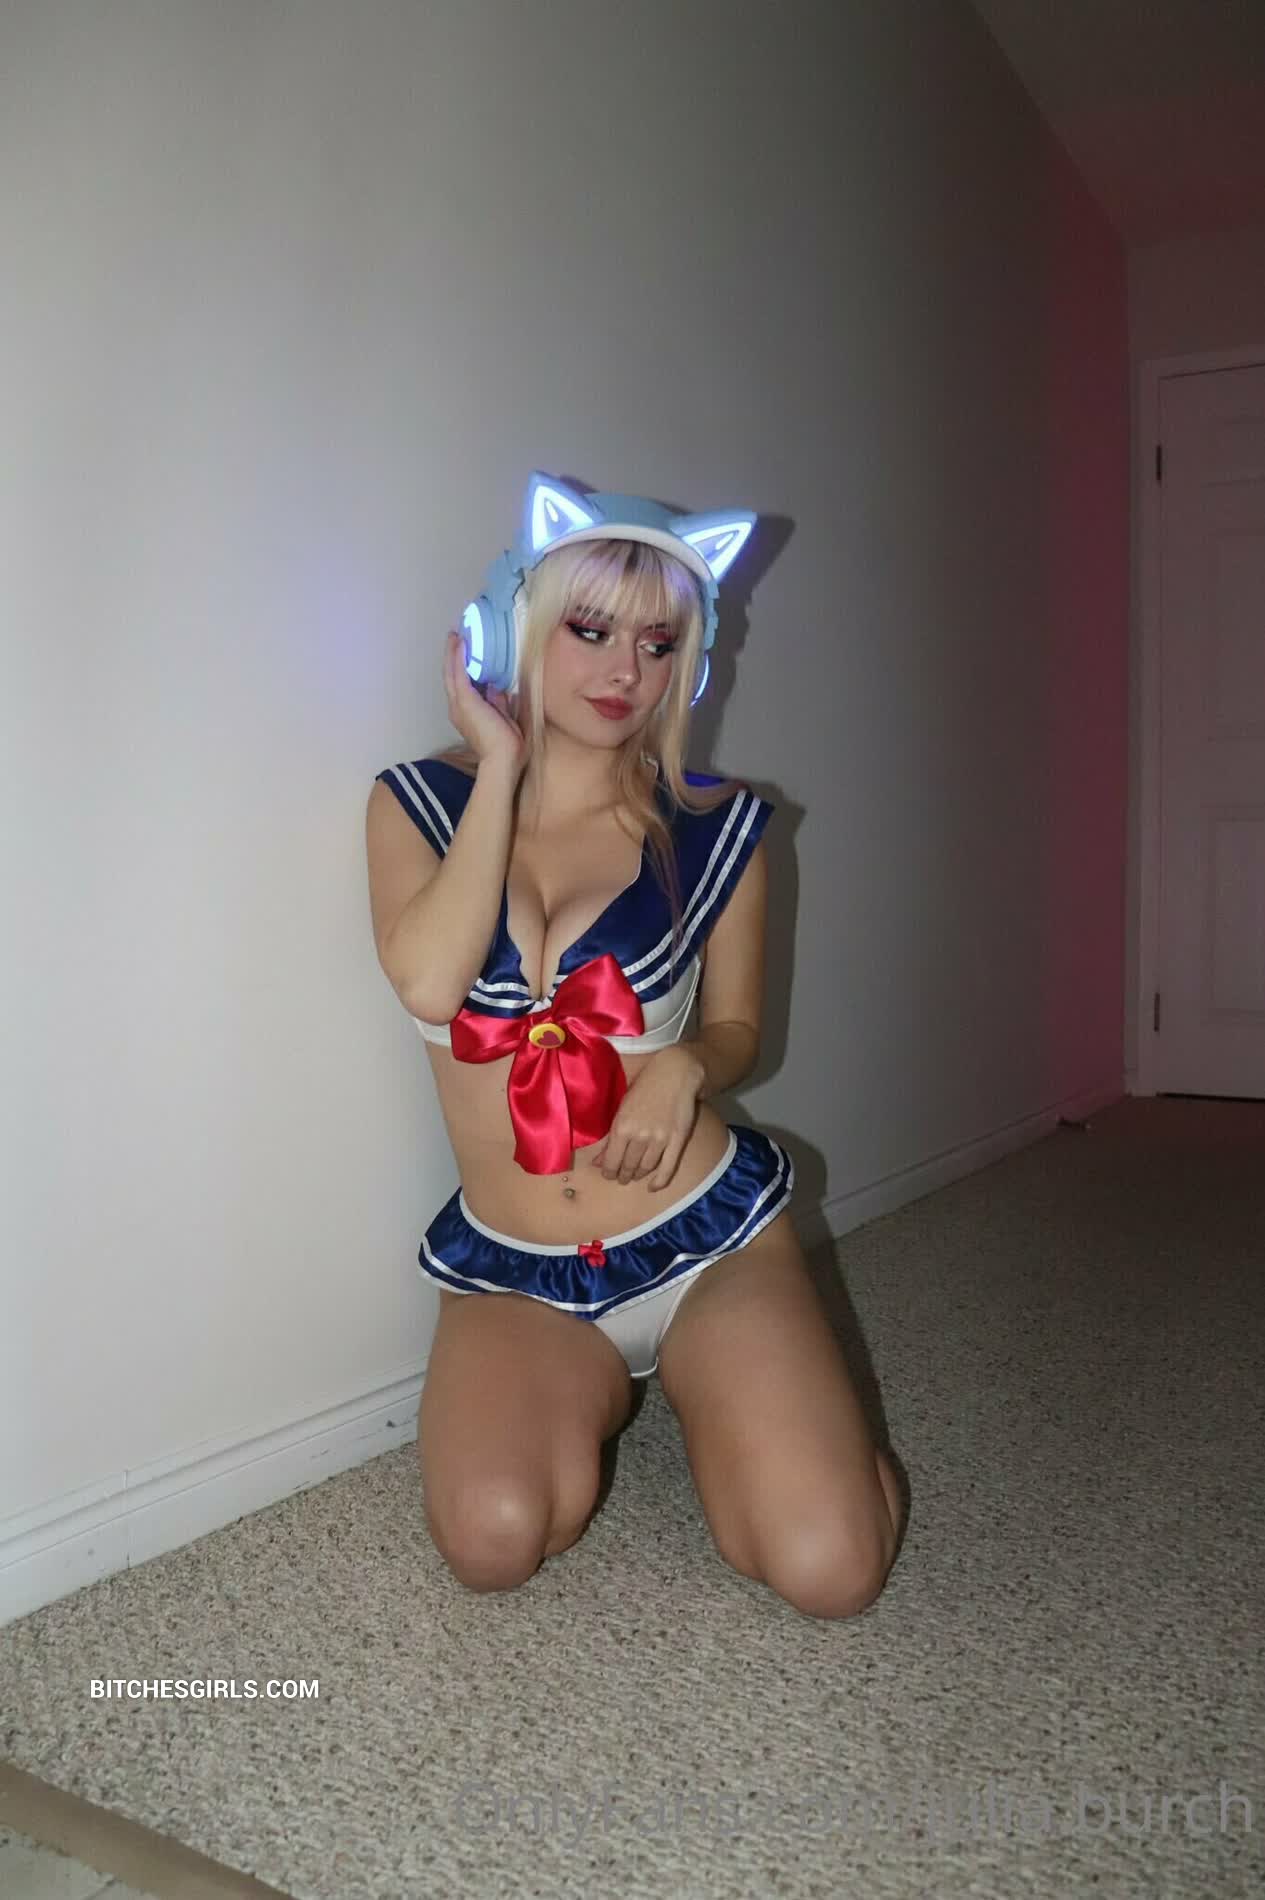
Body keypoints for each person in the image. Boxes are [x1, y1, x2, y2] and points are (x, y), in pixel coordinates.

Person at [366, 476, 904, 1619]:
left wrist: (688, 1068)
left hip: (700, 1237)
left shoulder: (714, 826)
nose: (626, 671)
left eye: (659, 644)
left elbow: (737, 1028)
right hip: (516, 1262)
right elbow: (427, 979)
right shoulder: (416, 803)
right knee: (493, 1540)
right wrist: (498, 764)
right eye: (590, 630)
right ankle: (597, 1389)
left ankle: (781, 1413)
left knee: (830, 1568)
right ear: (514, 627)